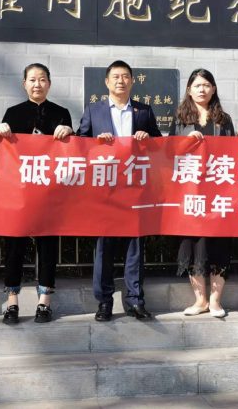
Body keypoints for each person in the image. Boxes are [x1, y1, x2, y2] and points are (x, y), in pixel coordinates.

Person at [77, 60, 162, 322]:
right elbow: (79, 144)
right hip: (105, 190)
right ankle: (104, 302)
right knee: (104, 248)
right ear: (107, 81)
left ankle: (135, 301)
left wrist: (148, 140)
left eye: (125, 76)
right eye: (115, 76)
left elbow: (160, 145)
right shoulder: (94, 110)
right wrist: (96, 143)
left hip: (135, 190)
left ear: (132, 81)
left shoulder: (143, 111)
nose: (120, 81)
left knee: (135, 248)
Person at [0, 63, 73, 324]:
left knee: (47, 246)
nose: (37, 84)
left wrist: (69, 132)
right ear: (24, 84)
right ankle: (12, 301)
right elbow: (0, 150)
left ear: (49, 83)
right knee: (14, 245)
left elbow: (72, 151)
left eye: (42, 79)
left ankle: (44, 302)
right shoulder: (13, 113)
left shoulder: (61, 113)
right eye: (32, 80)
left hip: (50, 193)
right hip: (18, 193)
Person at [169, 69, 234, 318]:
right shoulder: (179, 119)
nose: (202, 89)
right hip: (190, 193)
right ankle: (200, 300)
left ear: (213, 89)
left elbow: (233, 152)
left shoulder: (223, 119)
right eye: (197, 85)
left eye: (207, 85)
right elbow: (168, 153)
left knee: (218, 244)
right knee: (193, 244)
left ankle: (216, 301)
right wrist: (185, 141)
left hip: (218, 191)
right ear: (189, 89)